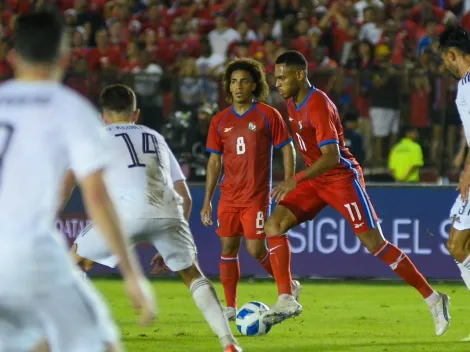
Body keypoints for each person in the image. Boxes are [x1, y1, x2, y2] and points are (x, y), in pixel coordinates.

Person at [261, 50, 450, 336]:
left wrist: (294, 179)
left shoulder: (318, 104)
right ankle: (287, 297)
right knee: (274, 224)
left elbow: (332, 156)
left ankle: (434, 299)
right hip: (315, 180)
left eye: (282, 77)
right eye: (275, 78)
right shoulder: (291, 102)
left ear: (300, 74)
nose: (277, 83)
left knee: (375, 244)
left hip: (340, 178)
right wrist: (300, 179)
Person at [0, 11, 155, 352]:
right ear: (65, 57)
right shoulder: (70, 110)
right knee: (103, 345)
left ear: (12, 57)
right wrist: (132, 274)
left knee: (37, 342)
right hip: (30, 254)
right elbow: (97, 198)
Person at [66, 84, 242, 352]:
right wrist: (169, 237)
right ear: (135, 114)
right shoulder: (154, 136)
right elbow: (186, 195)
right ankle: (229, 343)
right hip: (169, 211)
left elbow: (68, 183)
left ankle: (89, 337)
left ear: (103, 116)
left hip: (124, 215)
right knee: (192, 274)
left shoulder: (95, 136)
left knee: (74, 263)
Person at [200, 58, 298, 320]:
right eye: (233, 82)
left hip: (256, 195)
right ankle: (230, 307)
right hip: (228, 196)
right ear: (228, 87)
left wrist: (289, 180)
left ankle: (288, 286)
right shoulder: (220, 121)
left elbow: (287, 147)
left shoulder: (268, 115)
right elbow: (214, 162)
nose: (238, 86)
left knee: (255, 249)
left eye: (244, 81)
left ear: (255, 85)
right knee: (228, 248)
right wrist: (207, 199)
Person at [439, 25, 470, 341]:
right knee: (459, 244)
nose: (444, 65)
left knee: (457, 246)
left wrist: (468, 169)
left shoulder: (467, 85)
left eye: (444, 59)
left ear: (451, 55)